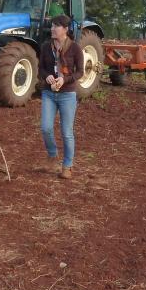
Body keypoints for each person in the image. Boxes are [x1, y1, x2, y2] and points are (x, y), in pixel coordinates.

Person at [37, 14, 85, 179]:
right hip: (49, 93)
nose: (52, 29)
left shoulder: (75, 48)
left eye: (56, 26)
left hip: (67, 95)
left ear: (65, 29)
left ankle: (67, 165)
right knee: (45, 128)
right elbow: (40, 68)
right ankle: (52, 154)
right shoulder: (45, 47)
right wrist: (47, 76)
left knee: (66, 132)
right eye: (51, 26)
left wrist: (65, 79)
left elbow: (80, 72)